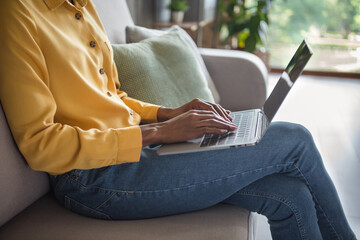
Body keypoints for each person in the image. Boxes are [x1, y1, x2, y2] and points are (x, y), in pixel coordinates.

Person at [0, 0, 356, 239]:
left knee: (290, 194)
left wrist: (170, 113)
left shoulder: (82, 5)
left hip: (138, 148)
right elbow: (40, 144)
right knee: (294, 139)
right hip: (92, 179)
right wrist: (161, 131)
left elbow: (111, 97)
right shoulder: (18, 14)